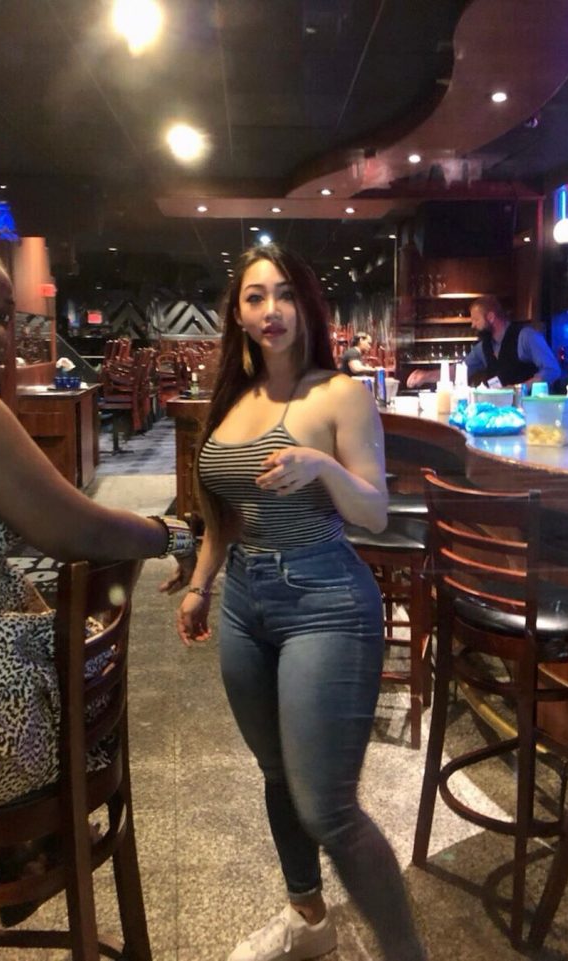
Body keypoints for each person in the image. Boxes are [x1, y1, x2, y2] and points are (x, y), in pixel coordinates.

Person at [0, 233, 194, 960]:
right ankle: (21, 846)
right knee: (77, 668)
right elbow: (72, 528)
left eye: (5, 317)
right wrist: (174, 534)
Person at [174, 243, 426, 961]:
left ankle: (407, 953)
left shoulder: (338, 394)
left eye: (284, 293)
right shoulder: (232, 397)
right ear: (238, 314)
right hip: (243, 600)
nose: (271, 309)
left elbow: (374, 511)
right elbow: (223, 512)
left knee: (327, 807)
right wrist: (199, 584)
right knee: (277, 774)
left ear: (305, 305)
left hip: (324, 598)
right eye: (255, 297)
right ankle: (308, 919)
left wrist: (321, 465)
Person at [406, 294, 561, 390]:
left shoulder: (526, 336)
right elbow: (460, 371)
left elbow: (552, 370)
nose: (473, 325)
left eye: (476, 320)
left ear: (491, 317)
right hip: (495, 415)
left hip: (527, 413)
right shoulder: (483, 347)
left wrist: (518, 389)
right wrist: (425, 376)